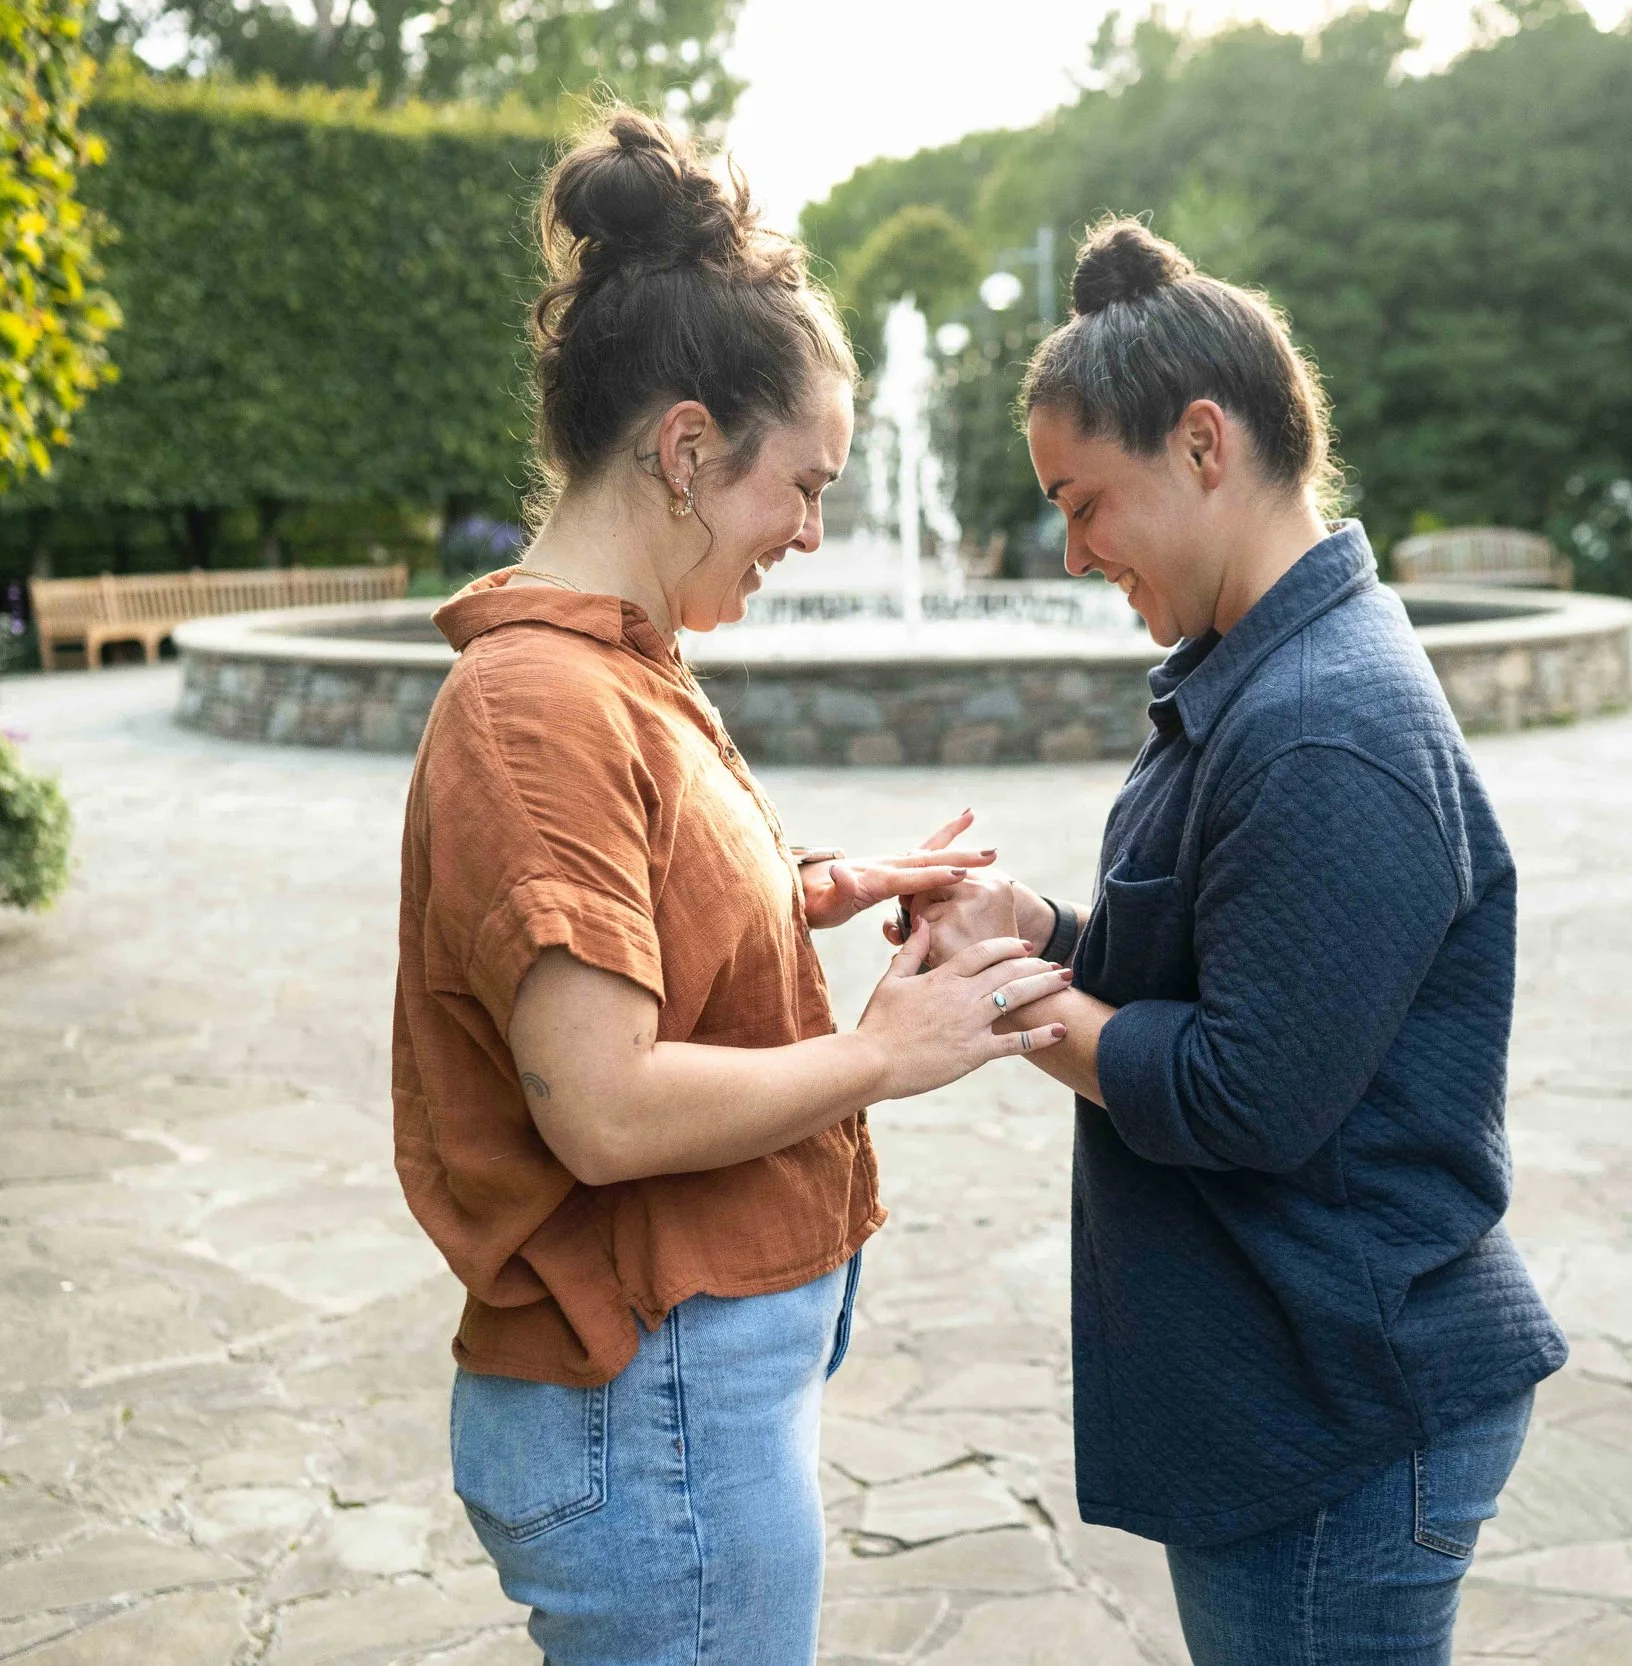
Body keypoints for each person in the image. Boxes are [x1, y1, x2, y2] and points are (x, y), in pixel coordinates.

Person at [389, 111, 1070, 1664]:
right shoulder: (542, 703)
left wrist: (805, 886)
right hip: (650, 1415)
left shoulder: (619, 666)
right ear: (688, 451)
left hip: (675, 1409)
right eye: (804, 485)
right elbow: (603, 1105)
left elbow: (625, 924)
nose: (820, 531)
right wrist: (883, 1056)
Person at [904, 220, 1567, 1665]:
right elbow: (1237, 968)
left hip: (1344, 1414)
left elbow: (1243, 1090)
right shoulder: (1265, 676)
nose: (1075, 553)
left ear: (1204, 444)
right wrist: (1047, 933)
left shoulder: (1326, 720)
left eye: (1086, 503)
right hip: (1304, 1387)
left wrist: (1008, 997)